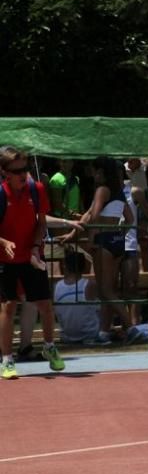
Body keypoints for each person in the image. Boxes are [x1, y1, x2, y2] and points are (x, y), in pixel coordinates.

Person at [0, 147, 65, 379]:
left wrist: (36, 248)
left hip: (32, 256)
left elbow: (41, 223)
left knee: (45, 305)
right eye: (17, 170)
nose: (23, 174)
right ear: (4, 172)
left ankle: (49, 346)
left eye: (25, 169)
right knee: (9, 306)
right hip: (5, 258)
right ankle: (7, 360)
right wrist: (4, 241)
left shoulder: (36, 189)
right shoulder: (0, 193)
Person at [78, 156, 138, 343]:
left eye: (94, 170)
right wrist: (119, 232)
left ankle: (130, 327)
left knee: (105, 291)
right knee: (110, 290)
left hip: (103, 242)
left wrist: (91, 239)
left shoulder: (101, 190)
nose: (92, 174)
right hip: (118, 241)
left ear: (101, 172)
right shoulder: (119, 191)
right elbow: (129, 219)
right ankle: (104, 331)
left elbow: (94, 217)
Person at [53, 250, 101, 343]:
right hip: (90, 334)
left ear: (65, 266)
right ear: (84, 267)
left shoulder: (56, 286)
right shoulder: (90, 284)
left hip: (67, 336)